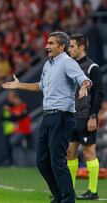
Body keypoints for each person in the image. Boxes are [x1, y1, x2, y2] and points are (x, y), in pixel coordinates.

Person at [2, 31, 91, 203]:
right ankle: (59, 196)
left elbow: (83, 79)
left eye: (51, 43)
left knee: (57, 160)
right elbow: (41, 86)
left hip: (62, 116)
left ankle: (67, 199)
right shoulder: (48, 65)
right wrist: (19, 85)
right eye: (47, 43)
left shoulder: (67, 62)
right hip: (48, 116)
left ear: (62, 46)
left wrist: (84, 87)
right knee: (42, 161)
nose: (46, 46)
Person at [67, 34, 104, 200]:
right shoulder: (69, 66)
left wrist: (93, 116)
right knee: (70, 153)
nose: (69, 49)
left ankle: (93, 190)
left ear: (82, 47)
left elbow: (98, 93)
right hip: (71, 116)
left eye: (72, 46)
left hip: (85, 116)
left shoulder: (92, 68)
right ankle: (70, 190)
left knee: (89, 153)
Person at [2, 91, 32, 166]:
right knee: (18, 147)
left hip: (25, 131)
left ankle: (25, 163)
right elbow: (10, 118)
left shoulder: (24, 106)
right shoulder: (14, 108)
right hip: (17, 131)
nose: (15, 101)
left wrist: (12, 113)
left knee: (14, 142)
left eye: (16, 99)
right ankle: (18, 164)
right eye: (14, 99)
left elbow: (20, 116)